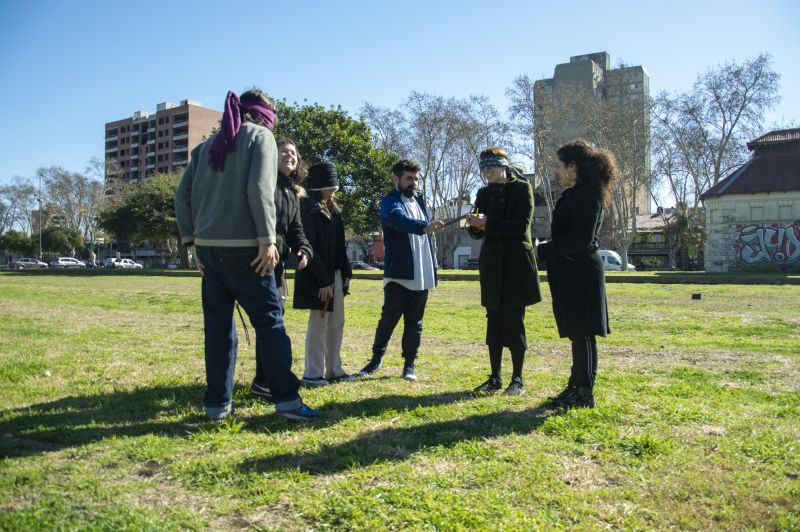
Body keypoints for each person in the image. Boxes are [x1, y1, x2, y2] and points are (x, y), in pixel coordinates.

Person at [174, 89, 318, 421]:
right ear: (264, 114)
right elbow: (259, 190)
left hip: (209, 252)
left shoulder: (205, 147)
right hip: (247, 250)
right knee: (270, 324)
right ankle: (287, 401)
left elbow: (182, 198)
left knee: (218, 329)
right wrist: (267, 240)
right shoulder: (261, 137)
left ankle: (217, 406)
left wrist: (191, 243)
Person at [536, 139, 620, 408]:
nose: (557, 171)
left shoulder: (585, 194)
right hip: (570, 271)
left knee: (583, 334)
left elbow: (581, 238)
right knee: (576, 333)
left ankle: (584, 393)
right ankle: (575, 386)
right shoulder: (577, 193)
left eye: (559, 166)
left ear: (573, 166)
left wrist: (545, 250)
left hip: (581, 272)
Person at [357, 159, 445, 381]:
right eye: (409, 178)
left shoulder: (420, 202)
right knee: (388, 320)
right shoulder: (389, 202)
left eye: (416, 178)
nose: (413, 183)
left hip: (422, 273)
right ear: (396, 179)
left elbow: (429, 240)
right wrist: (423, 227)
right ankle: (375, 360)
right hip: (399, 274)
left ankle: (409, 366)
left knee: (415, 323)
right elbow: (397, 220)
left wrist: (434, 270)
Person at [466, 147, 542, 395]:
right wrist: (474, 225)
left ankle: (517, 379)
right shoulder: (482, 193)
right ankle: (495, 376)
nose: (486, 170)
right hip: (492, 265)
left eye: (491, 165)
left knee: (514, 322)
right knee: (493, 322)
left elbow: (520, 227)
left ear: (503, 166)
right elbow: (476, 231)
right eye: (483, 167)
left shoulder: (522, 189)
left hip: (515, 266)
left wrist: (487, 223)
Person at [250, 138, 313, 401]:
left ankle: (264, 379)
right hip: (259, 259)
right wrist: (268, 242)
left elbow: (296, 228)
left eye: (294, 153)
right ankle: (265, 381)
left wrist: (304, 250)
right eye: (284, 151)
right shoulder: (267, 183)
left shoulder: (292, 191)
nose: (289, 155)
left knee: (275, 318)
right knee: (271, 320)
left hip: (277, 264)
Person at [292, 161, 356, 386]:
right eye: (332, 186)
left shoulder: (333, 209)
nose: (334, 190)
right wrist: (323, 281)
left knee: (337, 323)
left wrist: (345, 273)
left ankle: (334, 370)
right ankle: (312, 373)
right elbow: (310, 248)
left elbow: (339, 246)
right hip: (317, 276)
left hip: (335, 274)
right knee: (319, 324)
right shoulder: (308, 208)